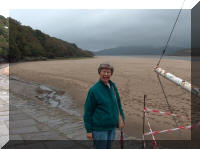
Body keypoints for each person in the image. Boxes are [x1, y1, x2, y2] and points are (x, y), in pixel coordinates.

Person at [83, 63, 125, 149]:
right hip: (99, 129)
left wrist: (122, 118)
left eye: (108, 72)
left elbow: (118, 104)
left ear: (111, 74)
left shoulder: (113, 86)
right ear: (99, 73)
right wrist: (89, 130)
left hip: (112, 127)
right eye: (104, 72)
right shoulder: (94, 90)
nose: (106, 74)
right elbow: (88, 111)